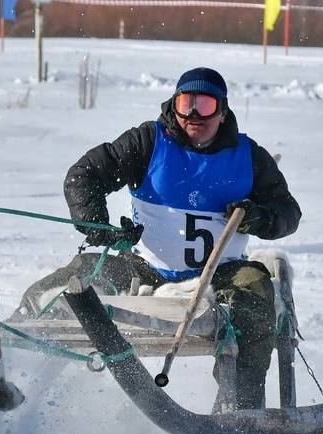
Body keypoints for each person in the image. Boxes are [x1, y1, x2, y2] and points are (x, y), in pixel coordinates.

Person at [32, 67, 300, 410]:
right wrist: (97, 224)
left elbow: (288, 212)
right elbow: (84, 176)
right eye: (185, 103)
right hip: (144, 267)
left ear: (222, 111)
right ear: (173, 105)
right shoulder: (147, 142)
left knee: (256, 298)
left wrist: (258, 217)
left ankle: (241, 409)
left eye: (204, 106)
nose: (193, 115)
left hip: (221, 273)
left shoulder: (249, 157)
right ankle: (9, 352)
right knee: (73, 279)